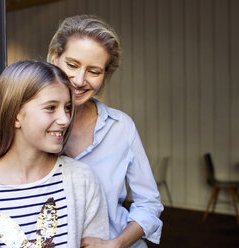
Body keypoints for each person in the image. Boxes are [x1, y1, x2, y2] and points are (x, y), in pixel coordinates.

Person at [0, 60, 109, 248]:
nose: (65, 119)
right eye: (51, 107)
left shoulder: (82, 180)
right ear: (15, 115)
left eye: (67, 107)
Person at [47, 15, 163, 248]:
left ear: (105, 75)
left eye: (94, 71)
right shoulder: (30, 124)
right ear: (54, 57)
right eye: (72, 65)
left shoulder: (121, 126)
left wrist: (118, 243)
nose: (79, 80)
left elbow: (149, 203)